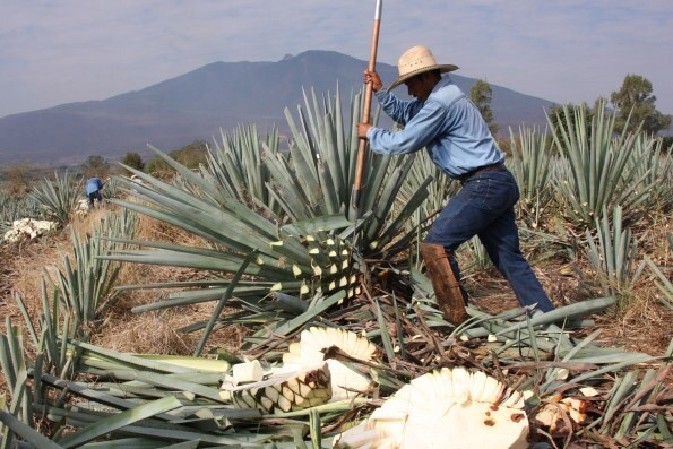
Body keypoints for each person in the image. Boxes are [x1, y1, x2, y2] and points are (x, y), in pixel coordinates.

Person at [356, 45, 555, 324]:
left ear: (426, 77)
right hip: (498, 181)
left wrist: (371, 133)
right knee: (508, 258)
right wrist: (380, 93)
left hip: (484, 183)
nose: (410, 91)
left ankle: (457, 319)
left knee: (436, 246)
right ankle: (547, 318)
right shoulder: (437, 97)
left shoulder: (441, 103)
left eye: (410, 84)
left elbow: (406, 140)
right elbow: (408, 115)